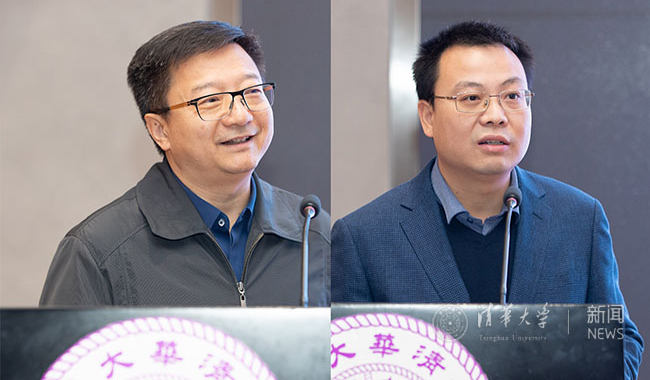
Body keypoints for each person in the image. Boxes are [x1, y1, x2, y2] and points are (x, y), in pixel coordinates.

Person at [331, 21, 642, 378]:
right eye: (471, 98)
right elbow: (346, 360)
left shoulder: (579, 219)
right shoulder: (364, 237)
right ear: (428, 116)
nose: (496, 116)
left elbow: (620, 342)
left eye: (512, 96)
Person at [40, 21, 330, 307]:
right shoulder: (97, 253)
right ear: (160, 130)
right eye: (211, 100)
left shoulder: (315, 233)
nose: (241, 116)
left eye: (252, 91)